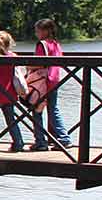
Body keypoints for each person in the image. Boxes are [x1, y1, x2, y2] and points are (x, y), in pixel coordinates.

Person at [25, 18, 69, 150]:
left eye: (38, 31)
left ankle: (41, 142)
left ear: (46, 31)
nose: (36, 33)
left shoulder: (42, 44)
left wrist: (27, 67)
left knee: (36, 109)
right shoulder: (55, 44)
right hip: (54, 79)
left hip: (42, 81)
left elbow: (40, 63)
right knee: (53, 109)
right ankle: (62, 138)